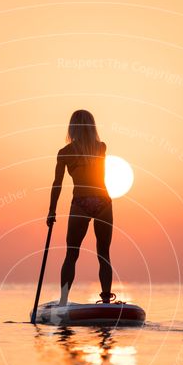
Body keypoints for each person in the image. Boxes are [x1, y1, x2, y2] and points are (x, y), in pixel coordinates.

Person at [47, 109, 115, 306]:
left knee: (72, 254)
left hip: (81, 202)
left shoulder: (65, 153)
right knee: (104, 253)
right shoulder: (101, 147)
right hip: (103, 202)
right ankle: (106, 300)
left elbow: (57, 184)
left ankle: (63, 300)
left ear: (72, 127)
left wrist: (52, 210)